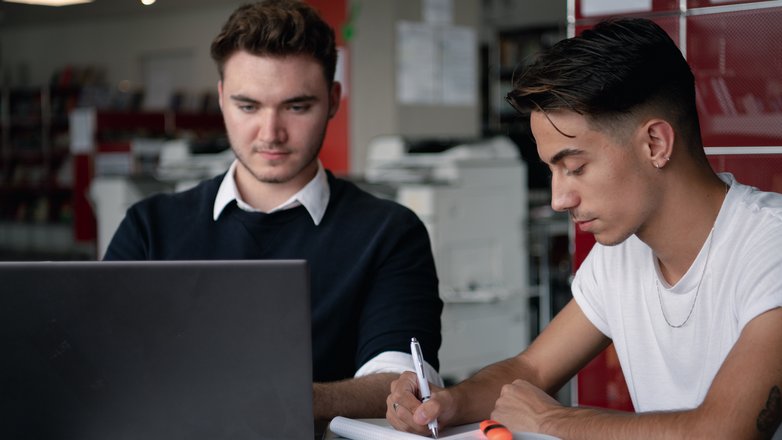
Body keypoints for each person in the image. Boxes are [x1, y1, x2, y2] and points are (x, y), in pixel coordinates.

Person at [387, 17, 782, 439]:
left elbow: (724, 431)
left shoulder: (768, 245)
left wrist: (552, 420)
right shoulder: (621, 255)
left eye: (575, 167)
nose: (559, 199)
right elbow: (532, 368)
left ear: (655, 144)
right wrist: (447, 403)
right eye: (552, 171)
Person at [103, 0, 443, 425]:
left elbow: (401, 387)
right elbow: (101, 364)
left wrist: (263, 398)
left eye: (297, 107)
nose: (271, 133)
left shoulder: (389, 232)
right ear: (222, 98)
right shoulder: (149, 227)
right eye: (248, 106)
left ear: (333, 100)